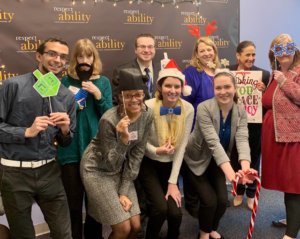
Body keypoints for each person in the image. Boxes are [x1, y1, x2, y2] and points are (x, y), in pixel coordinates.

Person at [0, 38, 76, 239]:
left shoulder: (67, 96)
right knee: (23, 235)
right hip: (14, 174)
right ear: (39, 56)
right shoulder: (12, 86)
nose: (57, 60)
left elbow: (67, 141)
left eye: (62, 57)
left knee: (64, 234)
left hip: (50, 172)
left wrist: (66, 130)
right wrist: (26, 132)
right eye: (52, 54)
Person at [181, 69, 255, 239]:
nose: (223, 92)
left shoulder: (240, 110)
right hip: (195, 160)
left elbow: (243, 139)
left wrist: (245, 170)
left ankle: (211, 227)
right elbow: (213, 143)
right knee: (210, 201)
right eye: (218, 88)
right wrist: (232, 176)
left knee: (222, 201)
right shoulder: (204, 107)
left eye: (227, 87)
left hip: (217, 161)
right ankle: (203, 233)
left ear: (235, 88)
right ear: (213, 89)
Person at [80, 68, 153, 239]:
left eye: (138, 95)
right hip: (97, 169)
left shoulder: (147, 116)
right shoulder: (109, 119)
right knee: (123, 228)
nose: (134, 100)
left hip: (121, 171)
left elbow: (138, 154)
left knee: (135, 226)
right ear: (120, 97)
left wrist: (123, 191)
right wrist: (123, 139)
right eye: (128, 95)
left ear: (144, 95)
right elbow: (110, 162)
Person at [57, 38, 112, 239]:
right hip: (70, 149)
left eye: (88, 55)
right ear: (75, 58)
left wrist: (98, 95)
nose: (84, 60)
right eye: (80, 55)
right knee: (72, 203)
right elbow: (58, 112)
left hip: (95, 149)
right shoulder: (65, 82)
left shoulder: (103, 82)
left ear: (94, 58)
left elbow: (108, 116)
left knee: (94, 204)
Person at [138, 59, 194, 239]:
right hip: (149, 163)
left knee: (176, 214)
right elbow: (140, 141)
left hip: (171, 166)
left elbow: (182, 146)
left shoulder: (188, 108)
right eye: (168, 85)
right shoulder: (147, 106)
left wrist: (173, 182)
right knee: (160, 210)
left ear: (182, 88)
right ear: (160, 87)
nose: (173, 90)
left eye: (177, 86)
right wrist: (156, 150)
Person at [261, 33, 300, 239]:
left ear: (294, 49)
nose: (284, 53)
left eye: (288, 48)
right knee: (287, 182)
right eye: (279, 49)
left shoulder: (296, 72)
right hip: (276, 137)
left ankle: (291, 234)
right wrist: (264, 92)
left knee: (294, 184)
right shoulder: (274, 73)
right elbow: (273, 102)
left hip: (294, 139)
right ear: (273, 53)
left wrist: (284, 82)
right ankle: (293, 219)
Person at [228, 40, 270, 210]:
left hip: (254, 124)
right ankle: (238, 191)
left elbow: (268, 101)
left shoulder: (263, 74)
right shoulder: (228, 72)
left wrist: (264, 90)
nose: (251, 58)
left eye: (253, 54)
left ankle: (251, 194)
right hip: (233, 122)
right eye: (247, 54)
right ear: (238, 56)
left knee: (253, 158)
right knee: (235, 158)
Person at [182, 36, 221, 129]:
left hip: (218, 127)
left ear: (214, 52)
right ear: (196, 54)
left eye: (209, 49)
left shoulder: (219, 72)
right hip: (198, 128)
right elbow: (184, 104)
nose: (206, 53)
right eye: (202, 51)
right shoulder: (190, 73)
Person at [112, 33, 160, 105]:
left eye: (150, 47)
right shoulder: (122, 71)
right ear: (135, 50)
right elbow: (116, 101)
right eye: (142, 47)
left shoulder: (162, 69)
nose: (146, 50)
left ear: (154, 49)